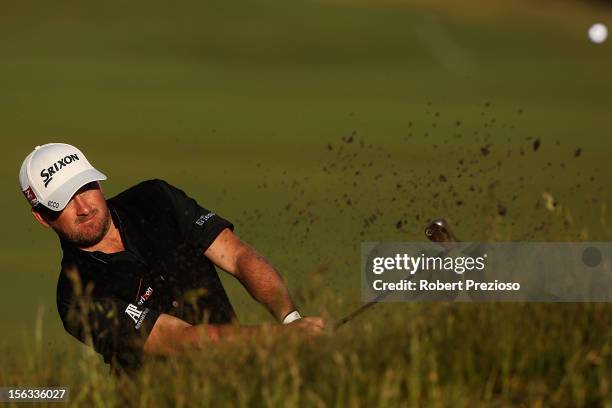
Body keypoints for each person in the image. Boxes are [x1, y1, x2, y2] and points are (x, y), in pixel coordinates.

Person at [19, 143, 325, 373]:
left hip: (237, 379)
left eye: (84, 188)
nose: (83, 207)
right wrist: (280, 339)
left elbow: (237, 255)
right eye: (63, 202)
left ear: (98, 183)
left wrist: (291, 320)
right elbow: (182, 340)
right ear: (42, 218)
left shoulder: (156, 198)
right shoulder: (76, 297)